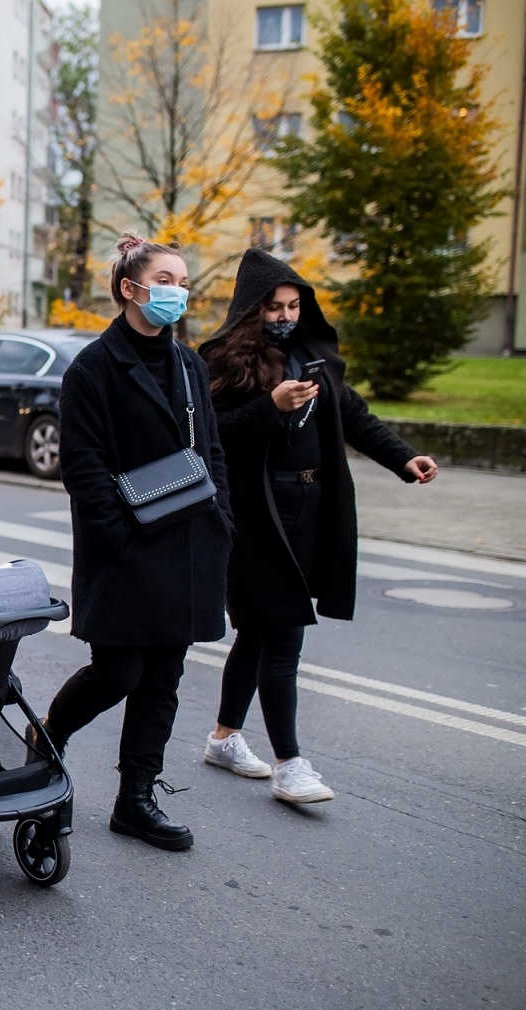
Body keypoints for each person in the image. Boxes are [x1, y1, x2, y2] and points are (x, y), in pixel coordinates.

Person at [199, 248, 438, 804]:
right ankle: (291, 765)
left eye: (293, 306)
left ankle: (223, 738)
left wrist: (404, 459)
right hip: (256, 516)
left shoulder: (315, 358)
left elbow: (353, 415)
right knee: (283, 634)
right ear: (251, 310)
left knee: (260, 630)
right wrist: (271, 406)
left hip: (309, 509)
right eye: (274, 308)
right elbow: (211, 435)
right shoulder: (225, 360)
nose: (285, 316)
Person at [33, 233, 232, 852]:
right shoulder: (94, 367)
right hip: (124, 547)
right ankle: (48, 737)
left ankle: (136, 798)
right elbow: (83, 468)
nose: (177, 291)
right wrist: (119, 535)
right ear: (130, 288)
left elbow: (211, 452)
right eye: (165, 280)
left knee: (163, 676)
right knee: (117, 671)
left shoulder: (189, 363)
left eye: (182, 281)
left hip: (187, 542)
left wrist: (222, 518)